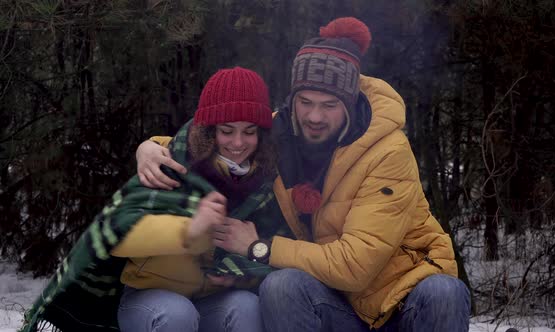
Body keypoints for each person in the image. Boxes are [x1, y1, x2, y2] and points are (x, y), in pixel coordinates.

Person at [136, 17, 471, 332]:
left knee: (444, 291)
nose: (314, 116)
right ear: (293, 99)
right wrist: (152, 147)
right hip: (336, 303)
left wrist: (259, 247)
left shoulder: (388, 151)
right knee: (281, 286)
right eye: (306, 102)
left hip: (402, 300)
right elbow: (223, 141)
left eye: (329, 105)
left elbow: (355, 266)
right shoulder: (278, 135)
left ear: (350, 103)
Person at [21, 67, 285, 332]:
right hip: (149, 298)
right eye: (227, 131)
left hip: (209, 300)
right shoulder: (167, 162)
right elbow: (117, 234)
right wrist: (189, 231)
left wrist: (251, 253)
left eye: (249, 131)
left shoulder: (267, 182)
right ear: (209, 131)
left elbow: (269, 254)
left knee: (245, 306)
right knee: (177, 314)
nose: (238, 142)